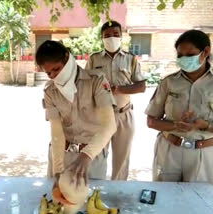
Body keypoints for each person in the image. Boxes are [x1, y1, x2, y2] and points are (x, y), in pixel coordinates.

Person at [36, 40, 117, 185]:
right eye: (48, 73)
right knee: (57, 202)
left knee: (91, 199)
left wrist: (86, 155)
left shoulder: (96, 81)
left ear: (67, 58)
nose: (54, 75)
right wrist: (58, 169)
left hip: (92, 155)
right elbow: (56, 132)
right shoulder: (50, 91)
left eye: (57, 69)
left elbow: (109, 125)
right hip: (62, 154)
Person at [145, 30, 213, 183]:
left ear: (206, 52)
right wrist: (175, 125)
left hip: (204, 154)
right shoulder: (168, 82)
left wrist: (204, 125)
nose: (184, 60)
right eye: (180, 56)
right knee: (164, 199)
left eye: (190, 55)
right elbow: (151, 121)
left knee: (198, 202)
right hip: (170, 150)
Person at [85, 21, 146, 180]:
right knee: (96, 157)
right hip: (100, 116)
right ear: (102, 38)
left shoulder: (130, 59)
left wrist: (118, 89)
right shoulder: (93, 59)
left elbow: (141, 86)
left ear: (121, 36)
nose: (112, 38)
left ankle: (117, 195)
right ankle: (96, 192)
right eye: (107, 36)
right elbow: (84, 84)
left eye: (115, 34)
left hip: (123, 115)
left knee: (122, 160)